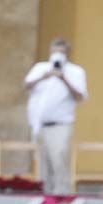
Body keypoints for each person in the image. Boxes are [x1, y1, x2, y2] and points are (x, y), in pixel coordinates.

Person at [23, 38, 88, 195]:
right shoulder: (41, 68)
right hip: (40, 124)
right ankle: (45, 196)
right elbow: (26, 85)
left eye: (62, 53)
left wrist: (63, 78)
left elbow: (80, 96)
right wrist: (44, 76)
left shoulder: (75, 72)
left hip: (60, 125)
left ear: (68, 54)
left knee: (59, 158)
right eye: (55, 52)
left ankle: (61, 195)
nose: (58, 56)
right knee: (42, 163)